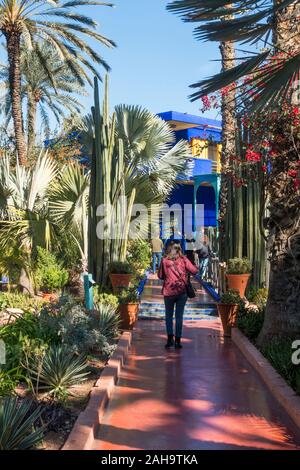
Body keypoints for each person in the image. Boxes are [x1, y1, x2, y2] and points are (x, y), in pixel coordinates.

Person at [158, 241, 198, 349]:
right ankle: (178, 341)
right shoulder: (184, 259)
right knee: (179, 316)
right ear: (179, 249)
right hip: (181, 292)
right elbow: (194, 271)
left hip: (168, 291)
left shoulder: (164, 260)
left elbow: (160, 276)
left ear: (168, 249)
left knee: (168, 316)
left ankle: (170, 338)